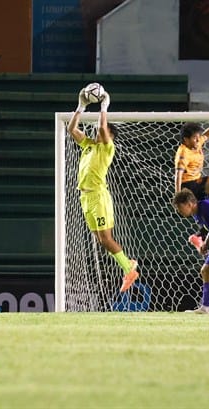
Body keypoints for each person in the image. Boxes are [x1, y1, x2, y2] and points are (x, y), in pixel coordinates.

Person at [67, 86, 140, 293]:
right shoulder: (89, 145)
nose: (100, 132)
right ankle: (128, 265)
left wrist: (104, 105)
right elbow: (71, 129)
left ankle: (129, 268)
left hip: (99, 196)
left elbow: (101, 129)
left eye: (105, 131)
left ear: (110, 136)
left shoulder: (108, 148)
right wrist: (80, 106)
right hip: (85, 198)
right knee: (101, 240)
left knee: (106, 239)